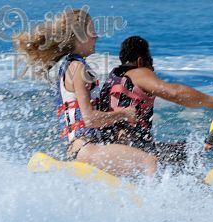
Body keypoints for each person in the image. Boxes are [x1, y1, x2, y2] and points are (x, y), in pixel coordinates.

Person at [14, 9, 158, 177]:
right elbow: (89, 119)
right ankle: (153, 195)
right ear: (79, 37)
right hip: (87, 150)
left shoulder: (70, 65)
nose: (96, 36)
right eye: (92, 31)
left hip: (84, 148)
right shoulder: (78, 68)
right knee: (149, 162)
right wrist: (124, 114)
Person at [99, 36, 213, 163]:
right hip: (133, 151)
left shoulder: (113, 78)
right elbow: (174, 93)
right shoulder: (139, 73)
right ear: (140, 61)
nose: (152, 67)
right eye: (150, 60)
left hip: (108, 147)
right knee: (192, 151)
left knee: (182, 148)